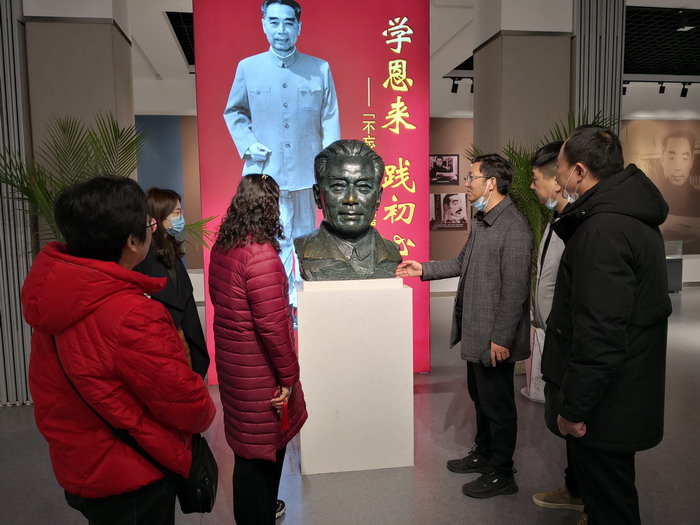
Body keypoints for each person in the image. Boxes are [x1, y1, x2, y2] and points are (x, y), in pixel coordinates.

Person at [22, 175, 216, 525]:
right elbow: (189, 406)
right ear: (132, 241)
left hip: (81, 466)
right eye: (149, 223)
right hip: (132, 475)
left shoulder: (54, 301)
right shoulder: (133, 314)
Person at [542, 126, 672, 525]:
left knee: (611, 503)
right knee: (608, 493)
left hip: (607, 401)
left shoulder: (603, 230)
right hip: (621, 389)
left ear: (579, 171)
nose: (557, 177)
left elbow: (599, 333)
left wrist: (573, 408)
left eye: (560, 167)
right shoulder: (628, 218)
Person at [397, 154, 532, 499]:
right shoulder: (483, 220)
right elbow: (461, 262)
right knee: (480, 398)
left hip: (494, 339)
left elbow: (515, 290)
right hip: (476, 332)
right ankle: (484, 454)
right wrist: (423, 269)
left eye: (471, 177)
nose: (466, 183)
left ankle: (502, 472)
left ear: (491, 183)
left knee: (498, 406)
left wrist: (501, 338)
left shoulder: (514, 227)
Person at [223, 0, 341, 306]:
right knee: (264, 245)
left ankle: (302, 307)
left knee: (306, 241)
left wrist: (329, 169)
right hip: (265, 176)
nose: (281, 30)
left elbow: (329, 119)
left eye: (289, 22)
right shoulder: (248, 68)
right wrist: (248, 144)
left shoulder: (319, 68)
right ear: (263, 24)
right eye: (274, 22)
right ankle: (272, 305)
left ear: (299, 26)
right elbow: (234, 112)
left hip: (306, 174)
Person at [209, 174, 308, 525]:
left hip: (235, 367)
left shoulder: (224, 246)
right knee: (263, 455)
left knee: (247, 449)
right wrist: (289, 378)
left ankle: (260, 512)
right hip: (260, 373)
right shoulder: (261, 256)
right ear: (271, 207)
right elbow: (274, 327)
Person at [526, 142, 584, 513]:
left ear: (558, 180)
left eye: (536, 179)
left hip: (572, 342)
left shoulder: (582, 227)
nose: (532, 186)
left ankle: (589, 498)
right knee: (563, 420)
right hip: (553, 337)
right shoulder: (558, 220)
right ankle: (575, 488)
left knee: (578, 422)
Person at [294, 139, 402, 280]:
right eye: (338, 186)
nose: (351, 199)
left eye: (363, 187)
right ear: (317, 195)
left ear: (378, 198)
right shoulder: (305, 248)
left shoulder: (391, 252)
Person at [134, 188, 210, 378]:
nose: (180, 217)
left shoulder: (169, 248)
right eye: (176, 213)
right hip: (166, 343)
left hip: (182, 337)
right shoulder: (143, 258)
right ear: (159, 216)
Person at [655, 130, 700, 253]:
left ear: (691, 161)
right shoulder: (649, 196)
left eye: (684, 158)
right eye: (671, 157)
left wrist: (669, 224)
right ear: (662, 159)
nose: (677, 167)